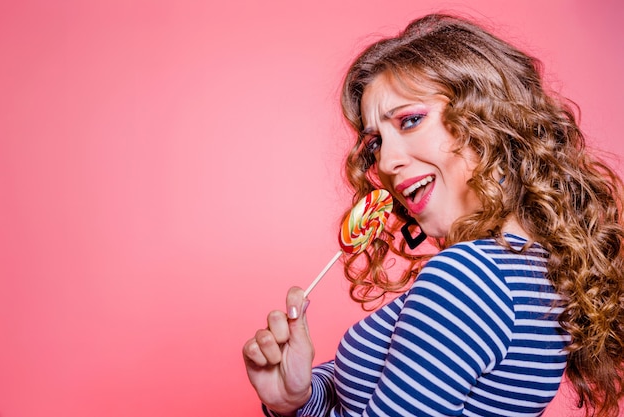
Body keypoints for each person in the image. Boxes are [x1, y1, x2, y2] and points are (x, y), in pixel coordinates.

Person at [242, 13, 624, 417]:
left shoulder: (468, 278)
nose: (386, 162)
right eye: (375, 143)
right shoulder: (534, 270)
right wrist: (297, 400)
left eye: (410, 120)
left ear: (487, 119)